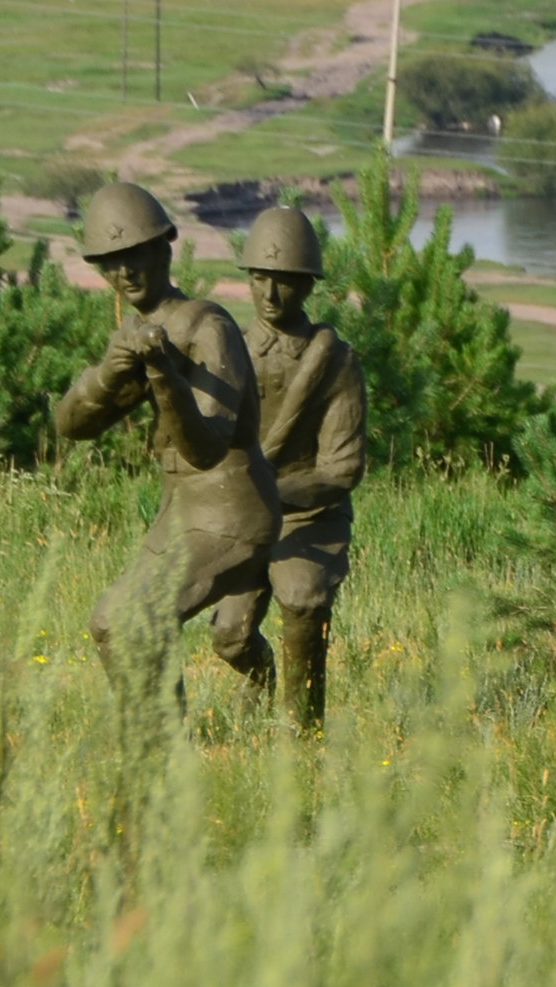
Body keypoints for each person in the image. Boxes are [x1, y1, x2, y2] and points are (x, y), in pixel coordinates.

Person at [53, 182, 286, 708]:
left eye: (135, 255)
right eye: (111, 263)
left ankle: (162, 757)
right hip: (180, 512)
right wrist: (107, 378)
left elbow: (208, 446)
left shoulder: (208, 326)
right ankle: (151, 742)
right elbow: (71, 426)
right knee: (110, 624)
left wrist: (163, 376)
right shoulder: (141, 334)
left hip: (232, 512)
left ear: (164, 248)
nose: (125, 273)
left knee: (136, 619)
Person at [236, 204, 367, 728]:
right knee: (230, 636)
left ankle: (303, 728)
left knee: (304, 598)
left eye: (285, 282)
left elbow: (341, 467)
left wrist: (274, 491)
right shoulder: (231, 352)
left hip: (310, 517)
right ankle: (261, 679)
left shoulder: (335, 361)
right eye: (261, 279)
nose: (270, 295)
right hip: (239, 516)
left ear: (309, 285)